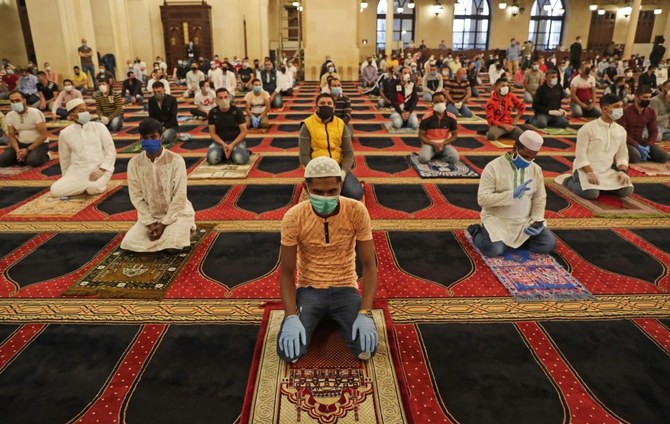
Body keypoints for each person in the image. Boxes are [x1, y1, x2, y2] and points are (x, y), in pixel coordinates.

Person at [277, 155, 378, 363]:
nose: (325, 198)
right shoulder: (294, 217)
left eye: (332, 191)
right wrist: (290, 316)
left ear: (341, 185)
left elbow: (369, 264)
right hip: (309, 291)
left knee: (366, 350)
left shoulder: (356, 210)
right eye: (318, 192)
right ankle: (317, 318)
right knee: (289, 354)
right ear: (306, 187)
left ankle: (332, 318)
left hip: (346, 289)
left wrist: (365, 311)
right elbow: (286, 272)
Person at [468, 131, 557, 257]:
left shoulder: (535, 169)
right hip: (498, 221)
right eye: (526, 156)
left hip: (525, 222)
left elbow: (539, 199)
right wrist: (511, 195)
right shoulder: (493, 167)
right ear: (515, 148)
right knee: (493, 250)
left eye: (532, 157)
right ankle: (476, 231)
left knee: (548, 244)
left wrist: (536, 220)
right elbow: (482, 200)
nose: (529, 161)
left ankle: (513, 242)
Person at [120, 118, 196, 253]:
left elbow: (180, 196)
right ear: (140, 138)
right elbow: (136, 197)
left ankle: (185, 229)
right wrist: (150, 223)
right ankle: (169, 232)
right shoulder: (134, 163)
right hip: (151, 216)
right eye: (146, 138)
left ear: (161, 136)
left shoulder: (176, 160)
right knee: (128, 244)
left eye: (153, 137)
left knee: (172, 247)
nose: (150, 141)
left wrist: (164, 224)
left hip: (177, 214)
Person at [562, 94, 633, 200]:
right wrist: (590, 172)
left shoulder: (621, 130)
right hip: (584, 170)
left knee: (627, 189)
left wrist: (622, 172)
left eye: (621, 106)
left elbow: (622, 154)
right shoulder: (587, 128)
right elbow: (580, 155)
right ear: (605, 109)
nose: (621, 110)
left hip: (606, 171)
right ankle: (568, 181)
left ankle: (602, 187)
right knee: (592, 194)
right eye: (617, 106)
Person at [299, 94, 363, 200]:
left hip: (338, 168)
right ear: (316, 107)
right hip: (317, 169)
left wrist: (343, 173)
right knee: (320, 197)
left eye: (329, 103)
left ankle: (336, 188)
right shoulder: (307, 125)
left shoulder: (341, 124)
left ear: (334, 108)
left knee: (355, 193)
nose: (326, 105)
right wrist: (316, 172)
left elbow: (349, 153)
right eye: (322, 103)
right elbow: (304, 156)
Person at [50, 98, 116, 197]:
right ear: (72, 115)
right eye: (81, 111)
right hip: (77, 171)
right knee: (55, 191)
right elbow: (65, 158)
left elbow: (111, 151)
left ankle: (84, 186)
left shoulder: (99, 127)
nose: (86, 113)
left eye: (86, 110)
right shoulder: (65, 133)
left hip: (99, 169)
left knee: (93, 189)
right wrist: (66, 178)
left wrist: (102, 169)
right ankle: (82, 185)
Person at [619, 85, 669, 164]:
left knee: (664, 157)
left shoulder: (650, 111)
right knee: (636, 158)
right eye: (645, 97)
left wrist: (649, 145)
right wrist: (637, 146)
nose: (648, 100)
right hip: (626, 142)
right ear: (637, 97)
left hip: (641, 141)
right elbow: (622, 133)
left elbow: (654, 131)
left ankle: (646, 154)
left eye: (649, 97)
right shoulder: (625, 111)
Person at [0, 90, 49, 168]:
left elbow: (43, 136)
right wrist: (17, 150)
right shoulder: (10, 115)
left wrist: (28, 149)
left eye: (17, 100)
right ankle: (23, 156)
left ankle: (44, 156)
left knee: (33, 161)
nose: (15, 103)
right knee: (2, 161)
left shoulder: (35, 113)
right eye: (12, 101)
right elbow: (11, 136)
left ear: (24, 100)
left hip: (38, 144)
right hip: (20, 144)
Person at [207, 88, 249, 165]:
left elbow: (244, 131)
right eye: (220, 98)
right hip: (219, 142)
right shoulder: (212, 112)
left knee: (240, 160)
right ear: (216, 100)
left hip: (236, 141)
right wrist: (223, 144)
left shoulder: (237, 111)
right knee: (212, 159)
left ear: (229, 98)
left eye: (226, 97)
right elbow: (212, 133)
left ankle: (234, 151)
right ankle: (224, 153)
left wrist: (232, 145)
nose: (224, 99)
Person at [418, 92, 459, 165]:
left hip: (444, 144)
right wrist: (433, 144)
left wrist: (443, 143)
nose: (439, 103)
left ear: (445, 101)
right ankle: (434, 154)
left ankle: (435, 156)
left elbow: (455, 135)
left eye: (441, 101)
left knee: (455, 158)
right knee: (423, 159)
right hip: (429, 144)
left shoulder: (452, 117)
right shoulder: (426, 117)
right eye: (436, 102)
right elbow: (421, 135)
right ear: (432, 103)